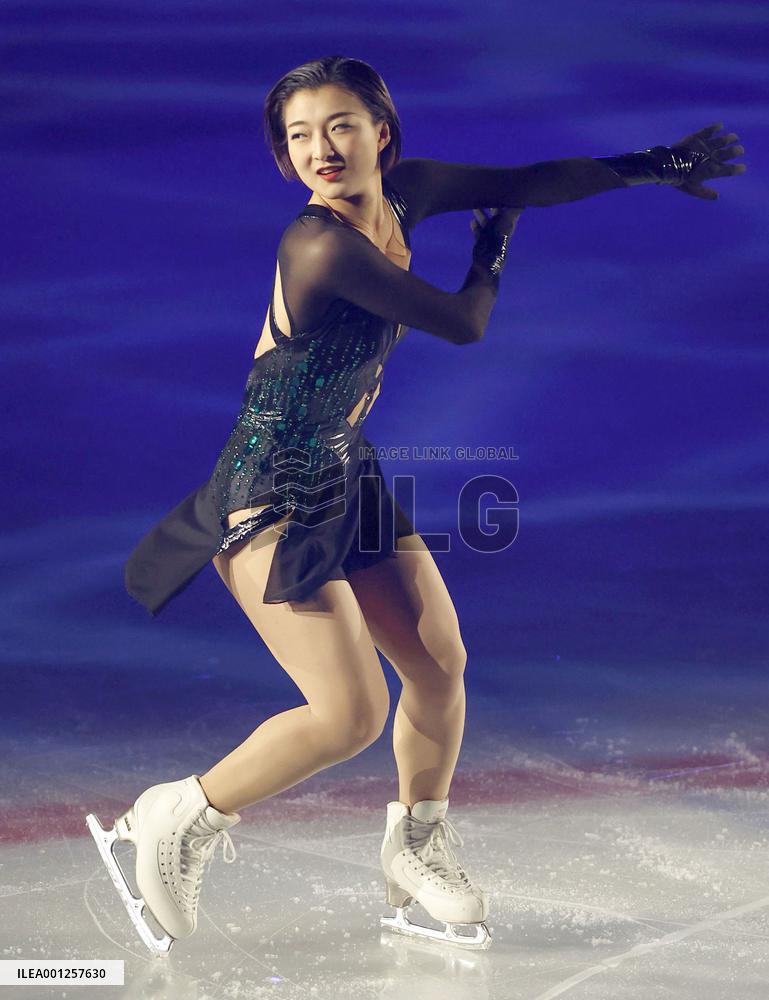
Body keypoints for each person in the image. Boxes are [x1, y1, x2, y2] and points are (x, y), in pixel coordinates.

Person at [86, 55, 746, 955]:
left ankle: (414, 848)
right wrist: (494, 245)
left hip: (341, 471)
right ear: (283, 156)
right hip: (267, 493)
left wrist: (652, 165)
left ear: (380, 133)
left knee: (438, 663)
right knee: (347, 716)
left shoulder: (407, 193)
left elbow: (527, 178)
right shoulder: (316, 243)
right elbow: (463, 321)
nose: (322, 148)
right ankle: (182, 815)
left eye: (341, 126)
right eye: (299, 136)